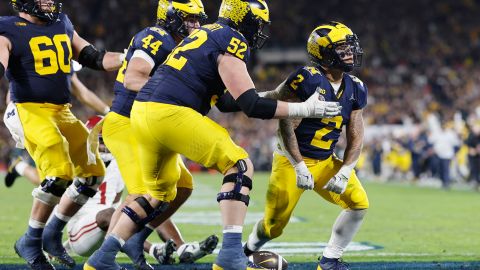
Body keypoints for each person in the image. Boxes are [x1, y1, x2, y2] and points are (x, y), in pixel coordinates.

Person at [85, 0, 342, 269]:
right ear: (243, 19)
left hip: (142, 113)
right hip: (170, 112)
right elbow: (251, 106)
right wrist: (303, 108)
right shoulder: (232, 39)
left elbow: (228, 102)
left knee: (157, 193)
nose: (259, 30)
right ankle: (231, 254)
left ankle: (102, 258)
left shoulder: (203, 34)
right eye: (257, 23)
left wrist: (275, 96)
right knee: (239, 165)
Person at [0, 0, 123, 269]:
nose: (49, 2)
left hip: (61, 110)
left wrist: (131, 57)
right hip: (28, 109)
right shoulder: (6, 28)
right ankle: (30, 241)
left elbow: (94, 57)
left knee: (93, 173)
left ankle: (52, 232)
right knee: (59, 173)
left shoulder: (62, 23)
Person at [243, 22, 369, 270]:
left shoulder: (356, 86)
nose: (349, 53)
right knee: (273, 226)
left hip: (325, 160)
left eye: (350, 47)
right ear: (324, 54)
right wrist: (299, 166)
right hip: (291, 161)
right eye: (342, 48)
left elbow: (356, 134)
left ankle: (330, 260)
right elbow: (286, 126)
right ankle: (243, 252)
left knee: (359, 204)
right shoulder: (307, 79)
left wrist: (345, 170)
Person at [98, 0, 210, 269]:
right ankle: (105, 257)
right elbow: (133, 79)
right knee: (140, 193)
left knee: (182, 185)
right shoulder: (156, 36)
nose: (195, 25)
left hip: (147, 125)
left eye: (198, 19)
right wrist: (175, 93)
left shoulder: (182, 46)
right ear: (170, 17)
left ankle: (137, 236)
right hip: (126, 122)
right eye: (189, 19)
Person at [65, 116, 218, 265]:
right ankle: (153, 250)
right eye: (100, 141)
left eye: (105, 141)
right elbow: (60, 200)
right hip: (80, 232)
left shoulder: (119, 163)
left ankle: (182, 248)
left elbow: (125, 202)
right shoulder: (77, 163)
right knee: (114, 212)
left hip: (108, 229)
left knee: (150, 204)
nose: (104, 146)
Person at [4, 60, 110, 188]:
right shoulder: (31, 63)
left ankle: (19, 166)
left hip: (54, 121)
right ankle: (21, 167)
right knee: (54, 179)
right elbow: (11, 98)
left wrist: (109, 111)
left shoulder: (62, 62)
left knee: (60, 178)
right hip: (31, 120)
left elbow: (83, 93)